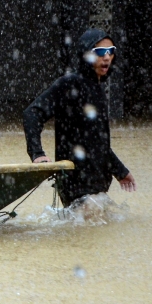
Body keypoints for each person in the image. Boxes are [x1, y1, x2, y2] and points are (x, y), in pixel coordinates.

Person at [23, 28, 137, 207]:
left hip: (96, 184)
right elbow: (32, 113)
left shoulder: (98, 89)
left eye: (110, 51)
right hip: (76, 183)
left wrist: (120, 171)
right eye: (100, 52)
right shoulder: (70, 84)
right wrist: (37, 154)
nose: (106, 57)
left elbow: (98, 141)